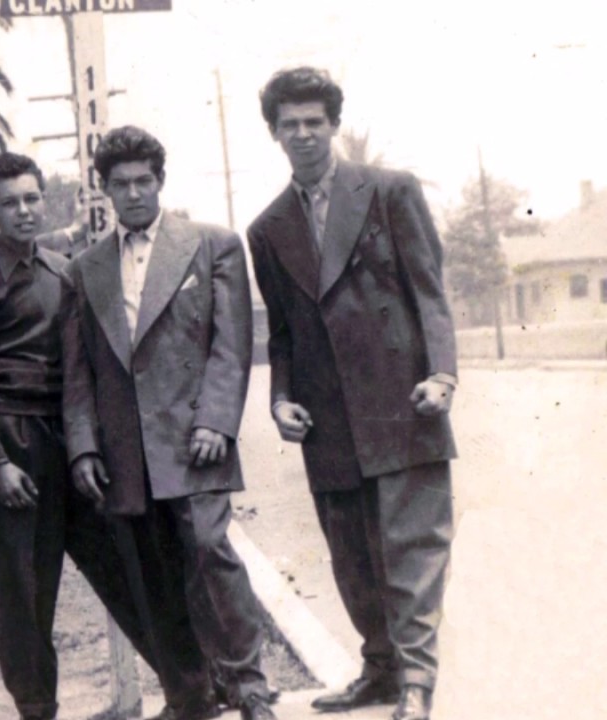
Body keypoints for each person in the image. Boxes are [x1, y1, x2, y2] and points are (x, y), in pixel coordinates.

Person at [246, 67, 457, 720]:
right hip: (327, 419)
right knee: (353, 560)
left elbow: (429, 292)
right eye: (289, 124)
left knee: (410, 553)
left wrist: (442, 375)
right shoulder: (267, 228)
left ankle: (416, 682)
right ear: (274, 133)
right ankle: (381, 670)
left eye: (315, 121)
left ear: (334, 124)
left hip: (404, 401)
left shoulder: (391, 192)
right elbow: (281, 334)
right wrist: (280, 399)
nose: (304, 134)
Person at [61, 126, 276, 720]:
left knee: (209, 551)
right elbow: (79, 370)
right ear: (105, 190)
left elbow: (231, 344)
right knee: (152, 571)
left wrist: (216, 422)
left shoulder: (211, 245)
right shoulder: (85, 269)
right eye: (120, 184)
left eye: (143, 181)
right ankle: (190, 696)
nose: (133, 194)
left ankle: (250, 685)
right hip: (125, 449)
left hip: (194, 438)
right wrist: (83, 447)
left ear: (161, 181)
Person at [0, 152, 157, 720]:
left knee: (122, 563)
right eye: (10, 203)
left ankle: (189, 685)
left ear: (45, 201)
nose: (24, 211)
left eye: (32, 198)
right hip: (10, 444)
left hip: (70, 438)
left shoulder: (64, 271)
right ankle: (37, 709)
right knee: (22, 593)